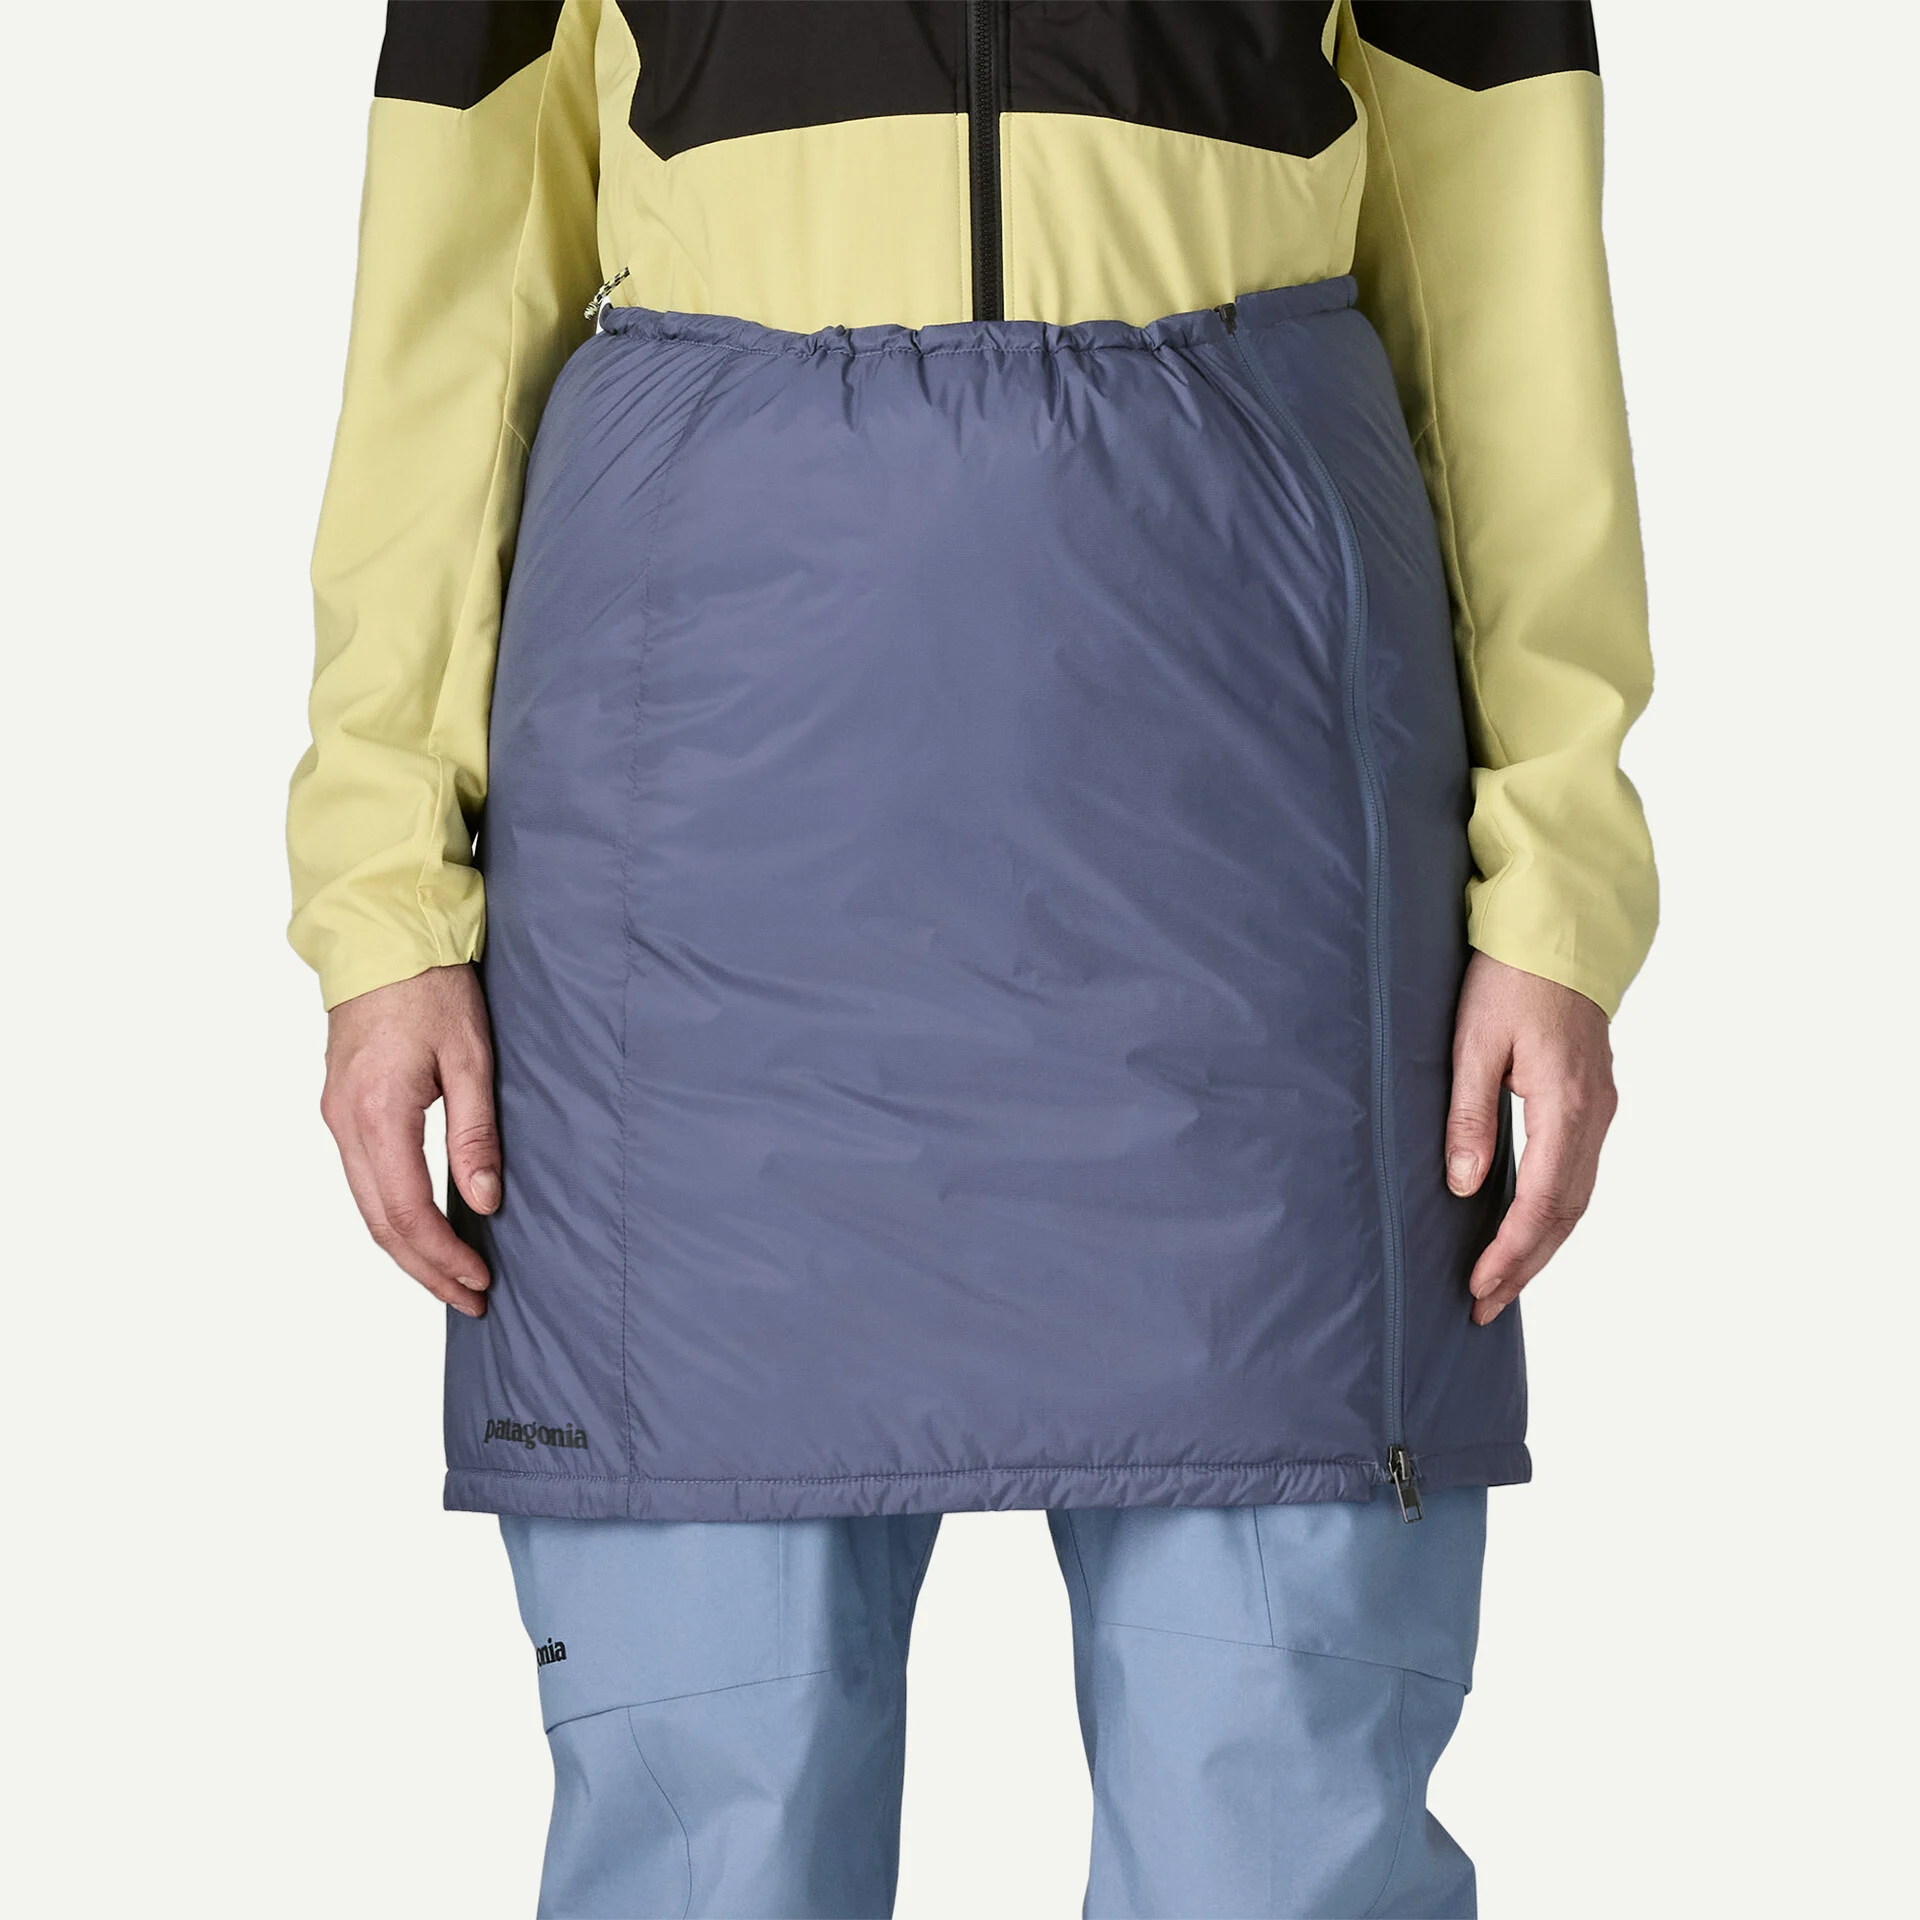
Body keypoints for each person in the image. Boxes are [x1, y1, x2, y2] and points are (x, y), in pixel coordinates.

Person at [288, 4, 1655, 1914]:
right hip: (699, 861)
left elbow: (1512, 310)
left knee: (1278, 1821)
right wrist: (383, 897)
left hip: (1252, 855)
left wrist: (1557, 888)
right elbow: (442, 322)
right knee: (713, 1827)